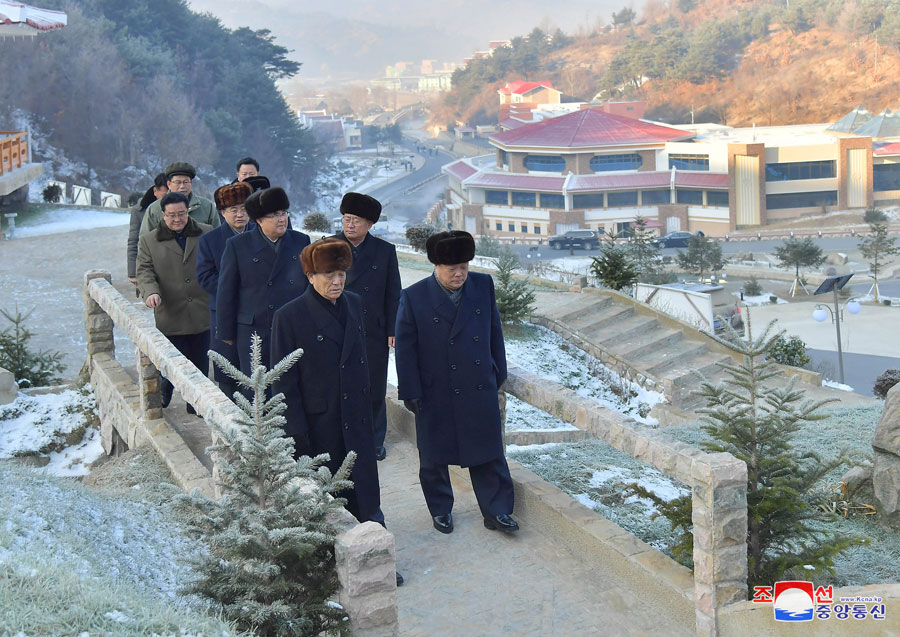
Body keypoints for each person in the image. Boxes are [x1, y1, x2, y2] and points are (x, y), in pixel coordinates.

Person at [394, 230, 519, 535]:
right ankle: (440, 509)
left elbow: (494, 332)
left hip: (478, 384)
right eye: (452, 269)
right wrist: (410, 390)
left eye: (464, 267)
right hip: (435, 388)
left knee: (488, 451)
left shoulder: (483, 285)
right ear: (436, 266)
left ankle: (497, 511)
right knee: (433, 456)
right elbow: (406, 349)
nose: (460, 274)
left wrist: (497, 373)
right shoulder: (414, 296)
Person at [333, 192, 401, 461]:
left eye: (356, 221)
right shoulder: (329, 246)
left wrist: (392, 329)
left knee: (373, 387)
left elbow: (393, 293)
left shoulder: (385, 251)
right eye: (346, 219)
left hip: (373, 329)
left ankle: (374, 441)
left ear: (370, 224)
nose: (350, 225)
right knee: (339, 386)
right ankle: (341, 440)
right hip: (336, 326)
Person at [216, 186, 310, 376]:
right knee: (257, 386)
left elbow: (310, 285)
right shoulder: (238, 245)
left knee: (292, 382)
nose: (282, 219)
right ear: (259, 220)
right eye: (274, 215)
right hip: (254, 330)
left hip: (292, 326)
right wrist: (226, 332)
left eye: (284, 213)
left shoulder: (301, 241)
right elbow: (226, 291)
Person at [136, 192, 212, 413]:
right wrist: (151, 292)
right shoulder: (149, 240)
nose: (177, 219)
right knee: (172, 360)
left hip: (202, 310)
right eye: (172, 215)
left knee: (199, 361)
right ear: (163, 215)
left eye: (181, 214)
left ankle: (196, 405)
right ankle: (165, 388)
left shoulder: (206, 233)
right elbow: (144, 271)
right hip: (170, 310)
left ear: (188, 212)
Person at [196, 182, 253, 399]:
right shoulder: (209, 240)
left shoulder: (259, 235)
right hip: (223, 312)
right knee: (228, 370)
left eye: (244, 209)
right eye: (233, 210)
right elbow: (204, 276)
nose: (240, 214)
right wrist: (233, 289)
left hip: (255, 311)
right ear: (222, 212)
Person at [139, 162, 220, 236]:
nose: (182, 186)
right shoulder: (154, 209)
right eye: (177, 182)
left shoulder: (207, 206)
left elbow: (217, 236)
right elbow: (145, 240)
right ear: (169, 184)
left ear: (191, 183)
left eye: (186, 182)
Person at [127, 173, 167, 286]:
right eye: (164, 195)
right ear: (155, 191)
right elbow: (134, 240)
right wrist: (132, 271)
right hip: (149, 264)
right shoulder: (139, 210)